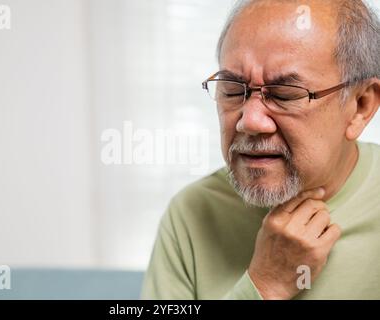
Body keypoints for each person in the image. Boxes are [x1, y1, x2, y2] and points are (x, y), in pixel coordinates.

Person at [141, 0, 380, 300]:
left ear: (361, 106)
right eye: (231, 88)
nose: (249, 121)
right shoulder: (192, 213)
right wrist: (265, 286)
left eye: (284, 94)